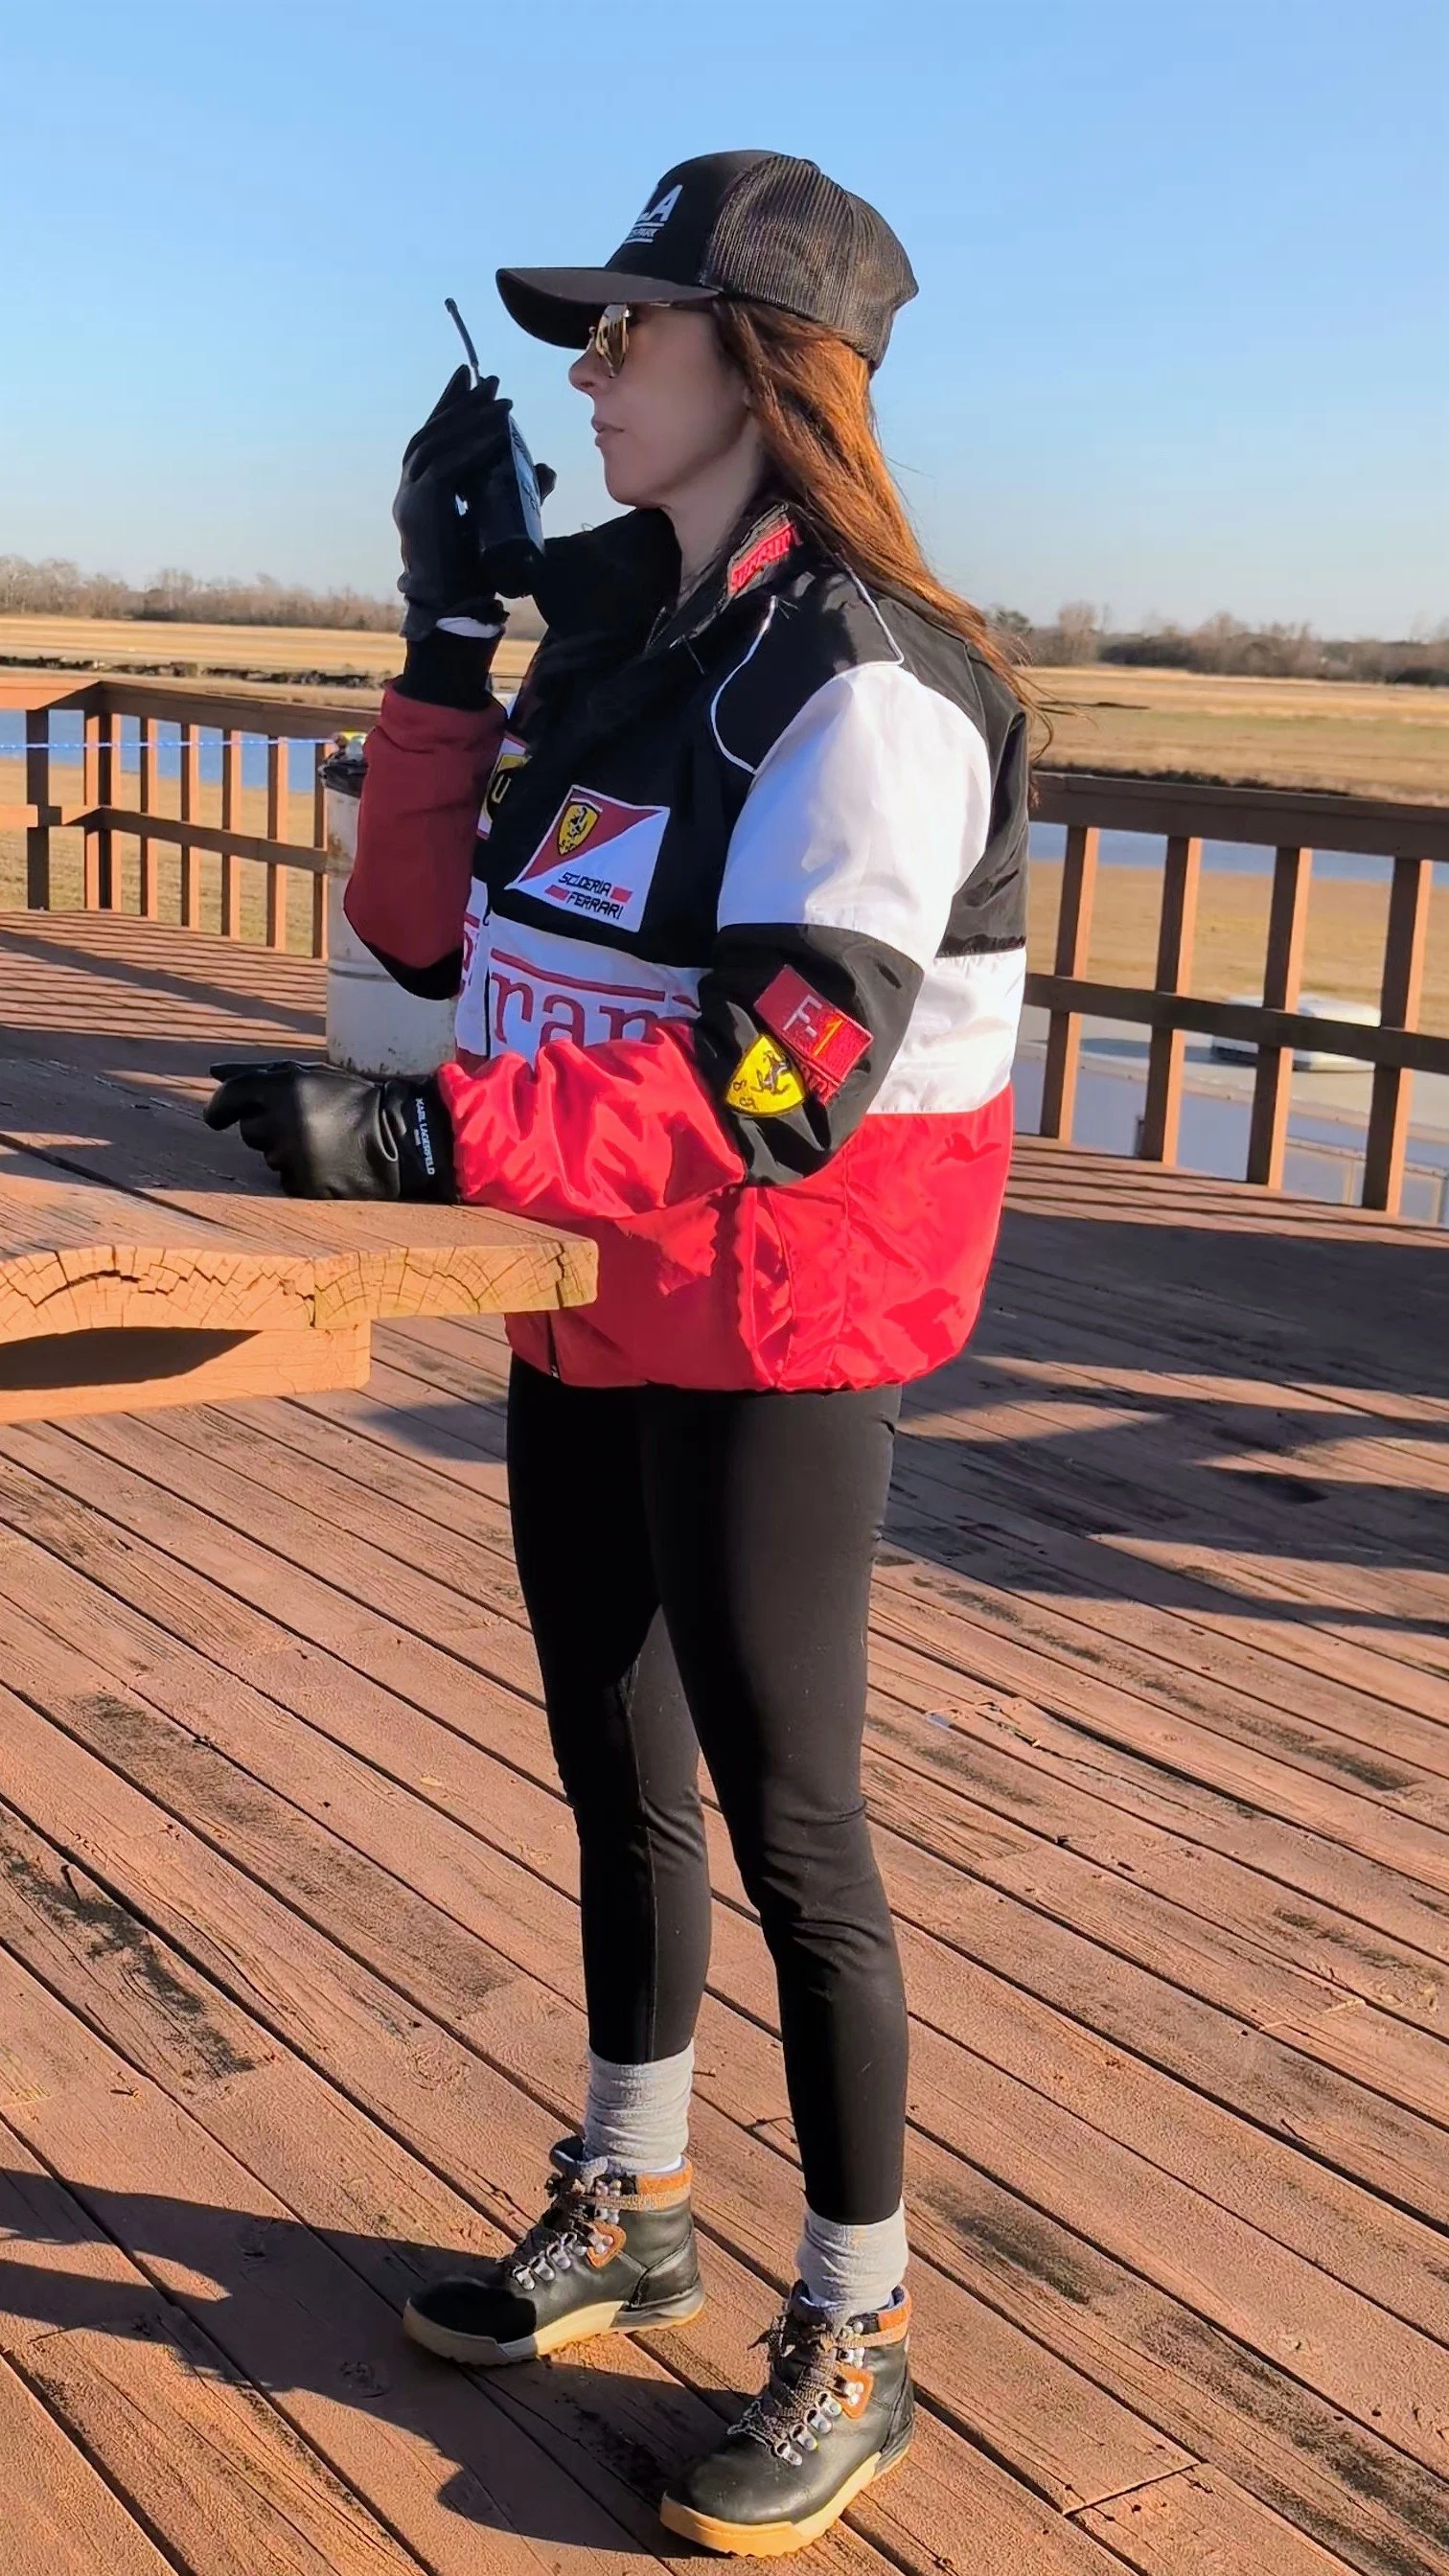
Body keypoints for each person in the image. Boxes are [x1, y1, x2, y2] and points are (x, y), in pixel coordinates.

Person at [205, 148, 1028, 2558]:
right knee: (612, 1763)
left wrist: (417, 1135)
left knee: (796, 1828)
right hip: (589, 1283)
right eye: (582, 334)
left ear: (768, 372)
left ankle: (858, 2326)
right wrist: (446, 647)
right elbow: (432, 931)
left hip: (780, 1307)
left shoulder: (869, 686)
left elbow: (780, 1080)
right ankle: (635, 2203)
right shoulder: (637, 634)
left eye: (627, 331)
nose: (585, 371)